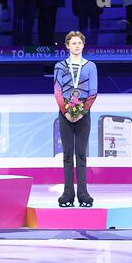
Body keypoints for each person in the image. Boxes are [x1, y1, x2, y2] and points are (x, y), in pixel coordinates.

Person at [53, 31, 97, 207]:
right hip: (64, 115)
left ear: (83, 45)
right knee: (67, 155)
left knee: (81, 155)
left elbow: (93, 92)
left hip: (84, 115)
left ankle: (83, 193)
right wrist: (67, 112)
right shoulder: (60, 66)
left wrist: (81, 112)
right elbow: (57, 91)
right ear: (67, 46)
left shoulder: (91, 66)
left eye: (79, 43)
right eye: (73, 43)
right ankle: (68, 194)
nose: (77, 46)